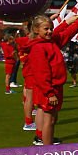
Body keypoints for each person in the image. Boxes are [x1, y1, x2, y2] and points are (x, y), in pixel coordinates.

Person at [25, 15, 69, 146]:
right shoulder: (38, 48)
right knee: (49, 120)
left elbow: (66, 33)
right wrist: (49, 93)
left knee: (52, 119)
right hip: (49, 88)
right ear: (36, 29)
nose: (50, 31)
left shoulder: (48, 43)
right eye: (46, 29)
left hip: (54, 87)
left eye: (51, 28)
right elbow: (41, 74)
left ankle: (47, 145)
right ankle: (47, 150)